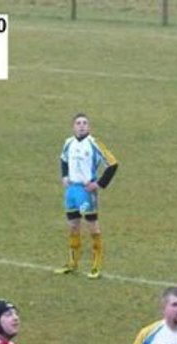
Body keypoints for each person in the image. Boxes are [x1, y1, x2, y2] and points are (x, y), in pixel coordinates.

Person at [57, 112, 119, 279]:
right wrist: (64, 176)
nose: (82, 125)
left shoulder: (94, 144)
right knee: (73, 226)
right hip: (71, 191)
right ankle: (72, 263)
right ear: (73, 126)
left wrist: (98, 184)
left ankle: (95, 266)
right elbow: (63, 159)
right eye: (78, 123)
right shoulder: (68, 143)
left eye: (85, 123)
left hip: (86, 193)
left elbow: (113, 163)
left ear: (89, 127)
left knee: (93, 227)